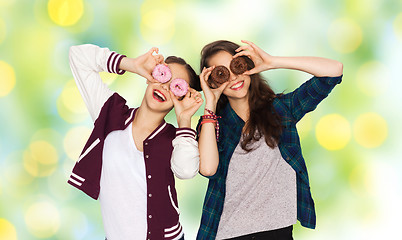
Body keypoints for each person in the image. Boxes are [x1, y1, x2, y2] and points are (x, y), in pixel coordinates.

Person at [196, 40, 343, 240]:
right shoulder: (212, 123)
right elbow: (207, 169)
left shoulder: (281, 110)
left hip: (278, 232)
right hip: (229, 233)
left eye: (236, 66)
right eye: (221, 74)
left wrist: (272, 61)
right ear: (211, 81)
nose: (233, 78)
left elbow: (334, 71)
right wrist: (210, 103)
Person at [67, 44, 203, 240]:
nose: (165, 87)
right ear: (151, 77)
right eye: (163, 75)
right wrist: (132, 64)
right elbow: (78, 56)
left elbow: (187, 170)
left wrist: (184, 121)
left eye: (176, 86)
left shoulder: (178, 138)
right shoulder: (110, 112)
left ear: (180, 98)